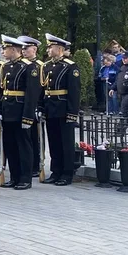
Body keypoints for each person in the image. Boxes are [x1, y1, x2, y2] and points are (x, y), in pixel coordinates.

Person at [0, 36, 39, 190]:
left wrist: (28, 117)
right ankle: (14, 177)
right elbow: (1, 91)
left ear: (14, 49)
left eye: (5, 48)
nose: (2, 51)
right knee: (10, 146)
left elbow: (31, 94)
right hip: (8, 110)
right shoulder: (5, 67)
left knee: (23, 145)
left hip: (21, 111)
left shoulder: (28, 67)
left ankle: (25, 178)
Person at [41, 34, 80, 186]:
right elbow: (43, 89)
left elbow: (74, 92)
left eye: (51, 47)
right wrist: (42, 107)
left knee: (66, 143)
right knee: (54, 142)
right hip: (51, 108)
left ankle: (66, 173)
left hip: (64, 108)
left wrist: (72, 113)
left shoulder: (70, 66)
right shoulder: (47, 66)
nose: (48, 49)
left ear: (60, 49)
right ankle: (56, 171)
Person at [19, 36, 45, 177]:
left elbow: (39, 89)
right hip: (24, 107)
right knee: (27, 137)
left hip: (34, 106)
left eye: (26, 48)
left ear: (34, 49)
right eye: (22, 49)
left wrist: (39, 107)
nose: (23, 51)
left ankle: (36, 165)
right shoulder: (21, 65)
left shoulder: (40, 65)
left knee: (35, 137)